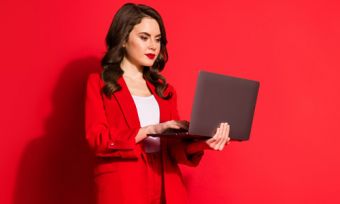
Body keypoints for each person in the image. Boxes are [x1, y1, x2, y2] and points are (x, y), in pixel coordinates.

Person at [85, 3, 231, 204]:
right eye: (144, 37)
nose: (153, 46)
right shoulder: (100, 83)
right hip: (124, 184)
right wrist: (150, 129)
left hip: (166, 183)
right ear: (124, 39)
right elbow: (97, 139)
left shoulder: (164, 90)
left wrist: (203, 145)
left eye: (158, 39)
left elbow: (173, 150)